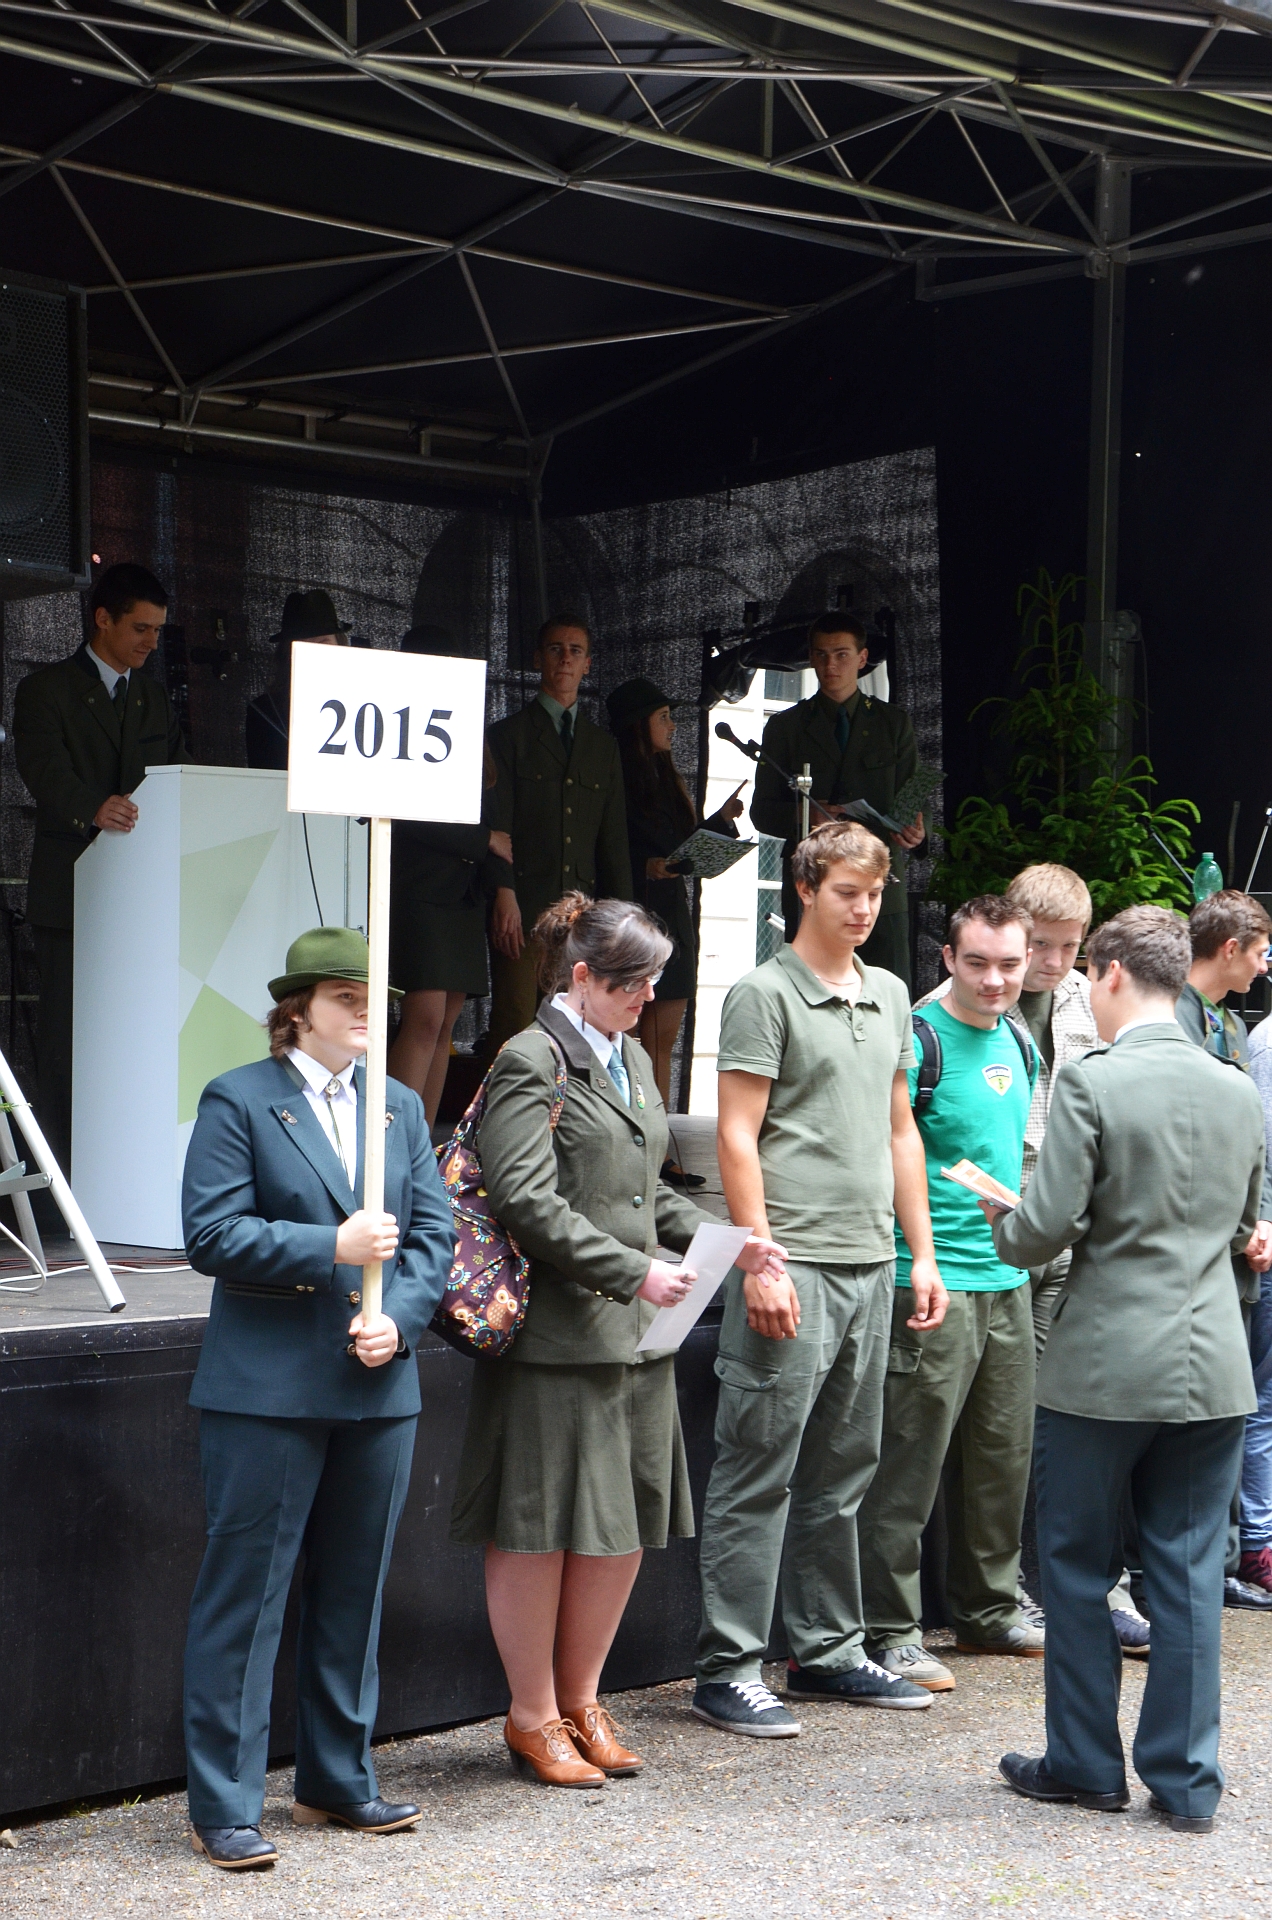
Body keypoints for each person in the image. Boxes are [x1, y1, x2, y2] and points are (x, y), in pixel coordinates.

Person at [449, 895, 787, 1787]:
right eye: (634, 983)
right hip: (558, 1339)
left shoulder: (629, 1054)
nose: (648, 999)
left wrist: (727, 1240)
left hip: (637, 1338)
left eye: (654, 982)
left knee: (621, 1524)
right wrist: (634, 1272)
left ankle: (582, 1701)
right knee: (536, 1528)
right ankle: (531, 1715)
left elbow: (644, 1192)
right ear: (582, 977)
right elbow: (525, 1200)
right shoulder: (531, 1058)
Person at [181, 926, 454, 1870]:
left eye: (374, 996)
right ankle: (224, 1804)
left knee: (354, 1591)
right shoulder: (240, 1098)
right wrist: (327, 1247)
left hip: (376, 1382)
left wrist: (401, 1321)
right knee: (246, 1599)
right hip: (266, 1390)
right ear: (296, 1011)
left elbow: (433, 1236)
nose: (367, 1012)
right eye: (346, 997)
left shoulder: (398, 1107)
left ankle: (337, 1780)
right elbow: (210, 1233)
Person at [988, 905, 1265, 1835]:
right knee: (1188, 1574)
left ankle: (1085, 1765)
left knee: (1075, 1567)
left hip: (1103, 1370)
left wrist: (1003, 1217)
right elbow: (1243, 1231)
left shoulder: (1093, 1080)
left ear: (1109, 974)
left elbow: (1046, 1227)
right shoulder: (1235, 1088)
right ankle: (1186, 1784)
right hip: (1211, 1363)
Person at [692, 820, 947, 1737]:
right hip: (793, 1259)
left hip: (871, 1262)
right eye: (847, 891)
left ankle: (828, 1652)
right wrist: (759, 1256)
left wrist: (921, 1253)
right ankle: (727, 1667)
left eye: (875, 893)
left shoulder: (890, 991)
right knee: (759, 1465)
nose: (864, 908)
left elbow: (901, 1130)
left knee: (844, 1468)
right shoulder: (763, 993)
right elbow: (735, 1134)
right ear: (804, 889)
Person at [858, 895, 1040, 1694]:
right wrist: (918, 1260)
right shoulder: (918, 1040)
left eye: (1009, 964)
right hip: (928, 1281)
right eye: (978, 963)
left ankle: (989, 1609)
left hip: (1007, 1278)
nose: (995, 980)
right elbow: (888, 1153)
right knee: (907, 1464)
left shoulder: (1020, 1040)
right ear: (948, 960)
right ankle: (891, 1629)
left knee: (1001, 1459)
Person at [13, 560, 191, 1169]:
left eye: (158, 630)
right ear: (102, 620)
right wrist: (92, 807)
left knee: (135, 1038)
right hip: (70, 897)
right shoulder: (46, 689)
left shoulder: (153, 698)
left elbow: (179, 774)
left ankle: (127, 1170)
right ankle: (66, 1180)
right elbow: (42, 770)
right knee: (69, 1041)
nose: (151, 642)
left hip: (143, 900)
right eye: (141, 628)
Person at [1174, 887, 1272, 1612]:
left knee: (1240, 1399)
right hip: (1204, 1247)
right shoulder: (1176, 1019)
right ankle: (1232, 1552)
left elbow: (1249, 1145)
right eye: (1261, 952)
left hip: (1244, 1240)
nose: (1266, 966)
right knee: (1229, 1403)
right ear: (1230, 948)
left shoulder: (1231, 1024)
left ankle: (1227, 1557)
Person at [607, 675, 743, 1184]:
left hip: (673, 918)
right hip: (636, 918)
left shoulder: (668, 778)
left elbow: (683, 847)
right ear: (638, 725)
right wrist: (645, 866)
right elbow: (611, 847)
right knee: (629, 1041)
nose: (673, 726)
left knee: (662, 1040)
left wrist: (719, 824)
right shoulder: (617, 777)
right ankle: (629, 1149)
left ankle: (658, 1152)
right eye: (663, 717)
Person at [750, 612, 925, 987]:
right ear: (810, 658)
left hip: (880, 882)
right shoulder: (786, 726)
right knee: (812, 991)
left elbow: (912, 804)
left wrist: (915, 833)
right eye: (822, 654)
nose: (831, 665)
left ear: (863, 659)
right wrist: (807, 817)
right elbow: (762, 812)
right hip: (814, 882)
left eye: (842, 654)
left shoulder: (892, 723)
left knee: (886, 990)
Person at [482, 618, 632, 1055]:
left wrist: (623, 922)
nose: (565, 658)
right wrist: (504, 893)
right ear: (537, 659)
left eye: (575, 650)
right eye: (555, 649)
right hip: (524, 907)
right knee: (515, 1022)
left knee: (578, 1028)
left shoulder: (603, 746)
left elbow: (613, 841)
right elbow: (497, 821)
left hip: (582, 918)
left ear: (588, 664)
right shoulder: (507, 735)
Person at [387, 625, 513, 1125]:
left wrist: (502, 885)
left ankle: (418, 1146)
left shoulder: (465, 725)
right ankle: (388, 1144)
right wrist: (481, 842)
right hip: (419, 888)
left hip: (464, 894)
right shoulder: (398, 725)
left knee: (446, 1024)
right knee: (423, 1019)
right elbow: (405, 811)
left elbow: (497, 820)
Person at [245, 590, 350, 770]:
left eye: (323, 643)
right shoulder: (265, 712)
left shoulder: (366, 703)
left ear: (340, 645)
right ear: (287, 654)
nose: (314, 653)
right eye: (303, 646)